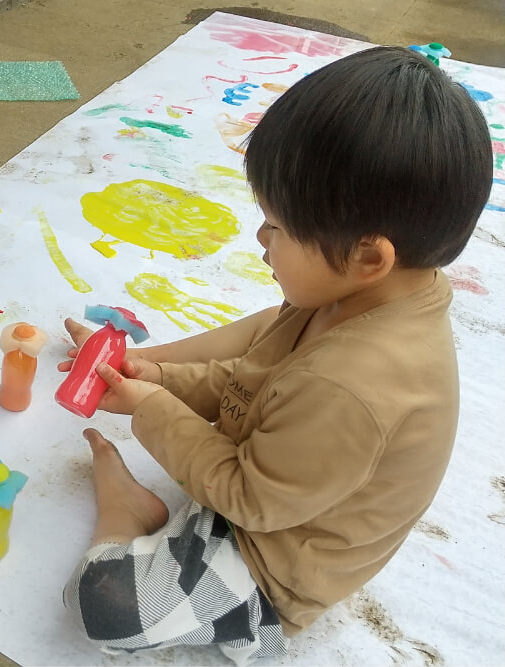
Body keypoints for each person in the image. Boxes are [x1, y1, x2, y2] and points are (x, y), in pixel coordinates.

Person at [59, 45, 491, 664]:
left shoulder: (355, 384)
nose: (259, 239)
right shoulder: (359, 295)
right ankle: (161, 514)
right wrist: (161, 374)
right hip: (269, 481)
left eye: (277, 227)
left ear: (369, 257)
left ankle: (124, 515)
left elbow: (248, 499)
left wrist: (150, 407)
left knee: (103, 606)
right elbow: (258, 373)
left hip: (274, 563)